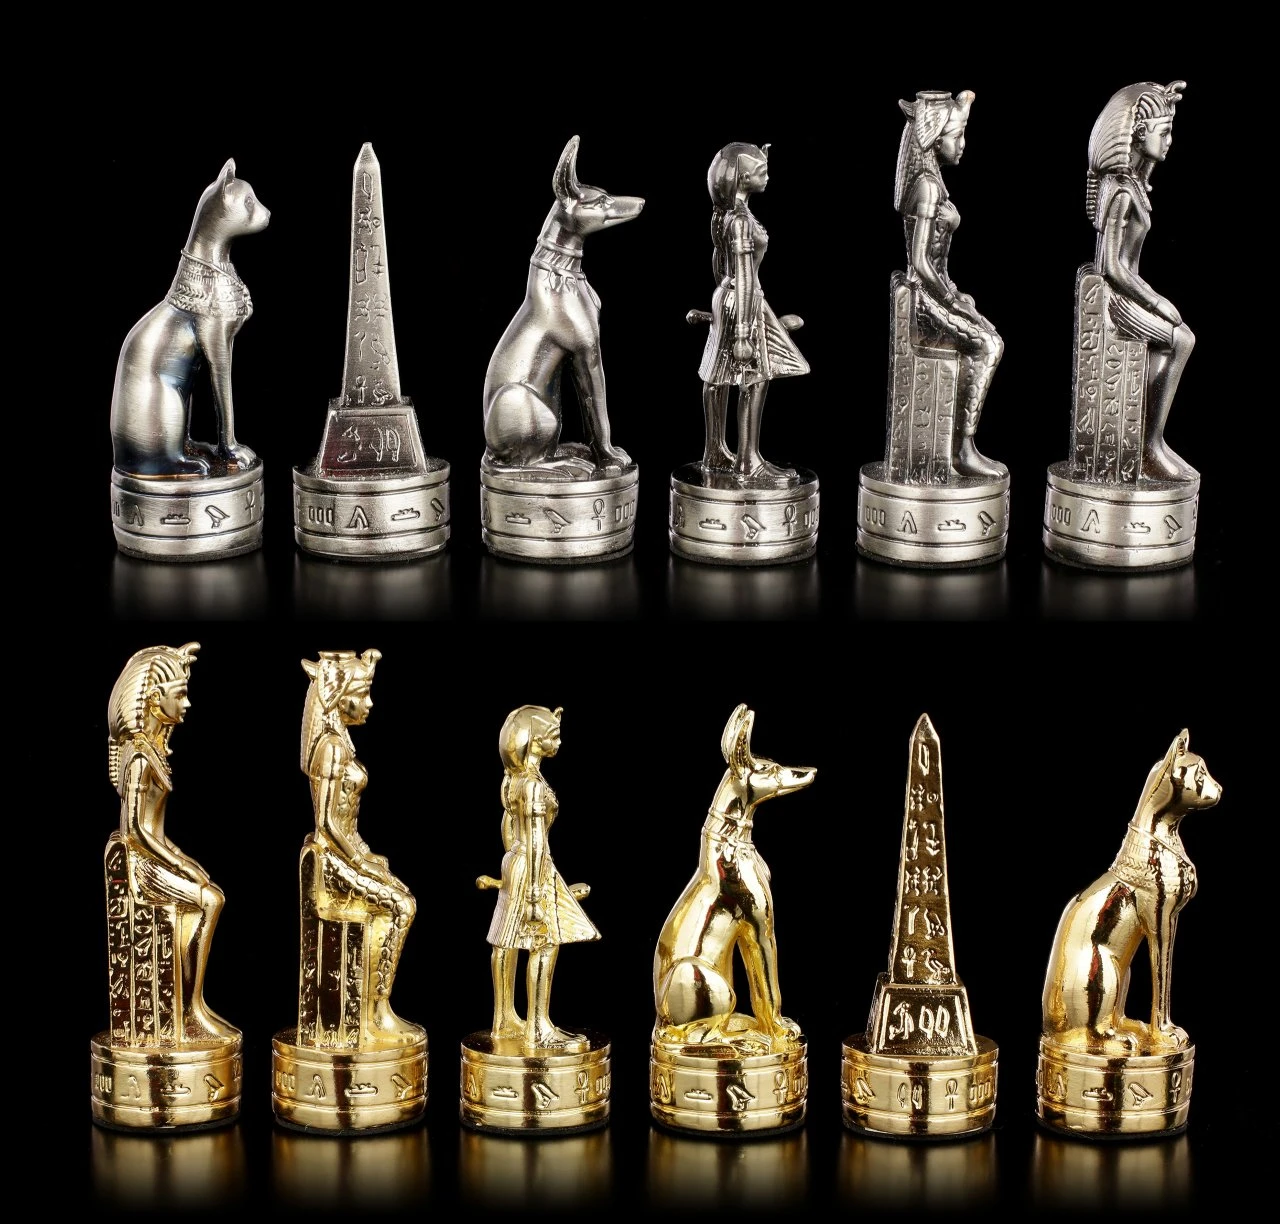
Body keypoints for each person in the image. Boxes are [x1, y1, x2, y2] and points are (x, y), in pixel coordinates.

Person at [107, 641, 236, 1044]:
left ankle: (192, 1004)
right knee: (211, 900)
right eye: (179, 694)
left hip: (155, 855)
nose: (187, 703)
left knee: (208, 894)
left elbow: (154, 831)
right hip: (142, 866)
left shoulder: (152, 751)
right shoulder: (139, 758)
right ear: (153, 699)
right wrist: (179, 863)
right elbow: (135, 830)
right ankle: (189, 1009)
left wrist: (181, 857)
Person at [299, 648, 420, 1045]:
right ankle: (377, 1010)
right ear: (339, 698)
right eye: (362, 694)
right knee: (401, 906)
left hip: (346, 852)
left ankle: (374, 1007)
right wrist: (359, 862)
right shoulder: (331, 748)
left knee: (397, 891)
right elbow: (327, 824)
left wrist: (367, 855)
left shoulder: (342, 743)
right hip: (331, 860)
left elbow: (348, 826)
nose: (369, 704)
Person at [1086, 80, 1193, 481]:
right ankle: (1149, 446)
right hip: (1116, 298)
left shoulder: (1131, 185)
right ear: (1138, 133)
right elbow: (1111, 267)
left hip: (1128, 291)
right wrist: (1156, 300)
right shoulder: (1120, 191)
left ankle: (1151, 444)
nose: (1169, 141)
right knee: (1181, 340)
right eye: (1163, 132)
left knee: (1179, 338)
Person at [895, 90, 1005, 479]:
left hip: (937, 290)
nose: (962, 145)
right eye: (956, 136)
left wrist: (956, 295)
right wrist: (951, 301)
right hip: (924, 299)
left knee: (985, 327)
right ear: (934, 140)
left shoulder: (933, 182)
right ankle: (962, 449)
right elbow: (921, 263)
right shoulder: (926, 187)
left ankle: (961, 446)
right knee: (988, 345)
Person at [484, 705, 598, 1051]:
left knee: (505, 941)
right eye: (553, 736)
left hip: (515, 862)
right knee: (544, 941)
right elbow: (536, 840)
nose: (559, 743)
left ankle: (503, 1020)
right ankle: (538, 1028)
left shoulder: (513, 780)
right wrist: (535, 893)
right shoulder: (533, 785)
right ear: (533, 739)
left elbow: (508, 827)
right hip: (533, 865)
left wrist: (513, 865)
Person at [697, 142, 809, 483]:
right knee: (755, 376)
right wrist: (744, 331)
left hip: (726, 297)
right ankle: (748, 461)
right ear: (743, 179)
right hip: (744, 300)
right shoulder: (742, 221)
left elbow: (721, 265)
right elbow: (745, 276)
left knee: (717, 376)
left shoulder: (724, 215)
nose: (768, 176)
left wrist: (722, 307)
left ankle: (714, 452)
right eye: (761, 172)